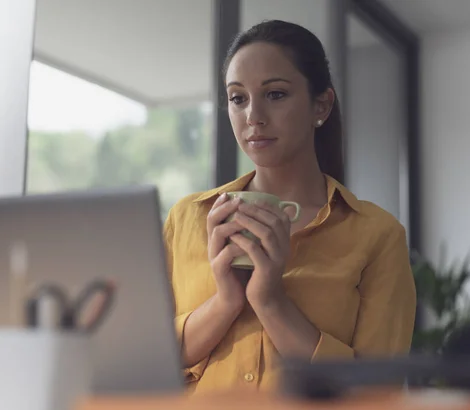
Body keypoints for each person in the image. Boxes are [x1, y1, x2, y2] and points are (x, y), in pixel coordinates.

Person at [163, 19, 416, 394]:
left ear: (321, 105)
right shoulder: (187, 218)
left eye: (276, 94)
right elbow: (149, 361)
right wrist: (226, 301)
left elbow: (378, 392)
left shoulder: (377, 235)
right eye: (238, 98)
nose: (253, 116)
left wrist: (270, 301)